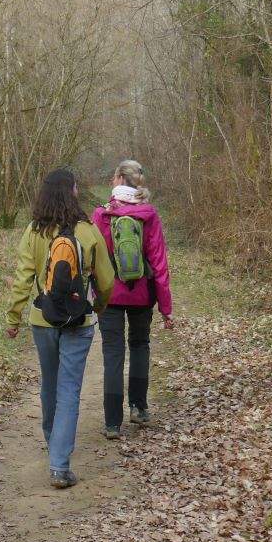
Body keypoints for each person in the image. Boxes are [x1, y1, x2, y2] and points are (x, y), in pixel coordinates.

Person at [6, 167, 114, 489]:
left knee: (50, 385)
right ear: (73, 192)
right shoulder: (88, 231)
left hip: (42, 320)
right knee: (69, 390)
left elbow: (23, 279)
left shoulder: (33, 231)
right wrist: (99, 305)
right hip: (78, 322)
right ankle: (59, 464)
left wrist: (13, 319)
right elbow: (106, 280)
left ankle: (54, 442)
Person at [91, 159, 173, 439]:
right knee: (139, 346)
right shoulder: (148, 214)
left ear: (117, 178)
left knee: (113, 353)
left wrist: (93, 294)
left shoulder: (101, 215)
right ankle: (139, 408)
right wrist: (166, 307)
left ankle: (112, 422)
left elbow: (93, 260)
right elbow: (159, 263)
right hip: (142, 294)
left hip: (110, 295)